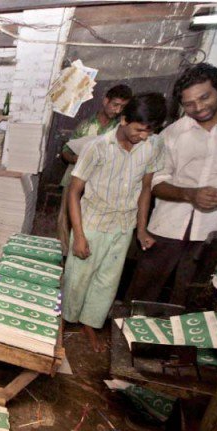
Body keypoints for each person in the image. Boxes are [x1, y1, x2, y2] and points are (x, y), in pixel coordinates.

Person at [63, 93, 167, 352]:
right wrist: (79, 235)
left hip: (123, 225)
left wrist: (141, 230)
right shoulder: (97, 146)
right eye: (139, 129)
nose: (143, 136)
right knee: (77, 277)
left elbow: (145, 190)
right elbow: (74, 192)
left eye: (149, 131)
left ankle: (90, 323)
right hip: (92, 223)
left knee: (107, 281)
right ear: (123, 119)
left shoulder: (153, 145)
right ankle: (63, 321)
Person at [126, 63, 217, 306]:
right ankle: (130, 342)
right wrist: (189, 194)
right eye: (189, 104)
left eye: (204, 97)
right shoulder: (173, 134)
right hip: (167, 227)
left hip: (211, 232)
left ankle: (178, 345)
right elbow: (155, 183)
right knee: (143, 294)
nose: (198, 108)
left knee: (192, 300)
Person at [58, 84, 133, 254]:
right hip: (74, 178)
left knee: (87, 222)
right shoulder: (85, 125)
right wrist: (76, 158)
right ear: (105, 100)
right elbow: (65, 152)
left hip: (100, 183)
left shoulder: (118, 129)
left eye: (122, 107)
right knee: (66, 219)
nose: (117, 110)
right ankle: (64, 256)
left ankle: (85, 250)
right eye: (115, 104)